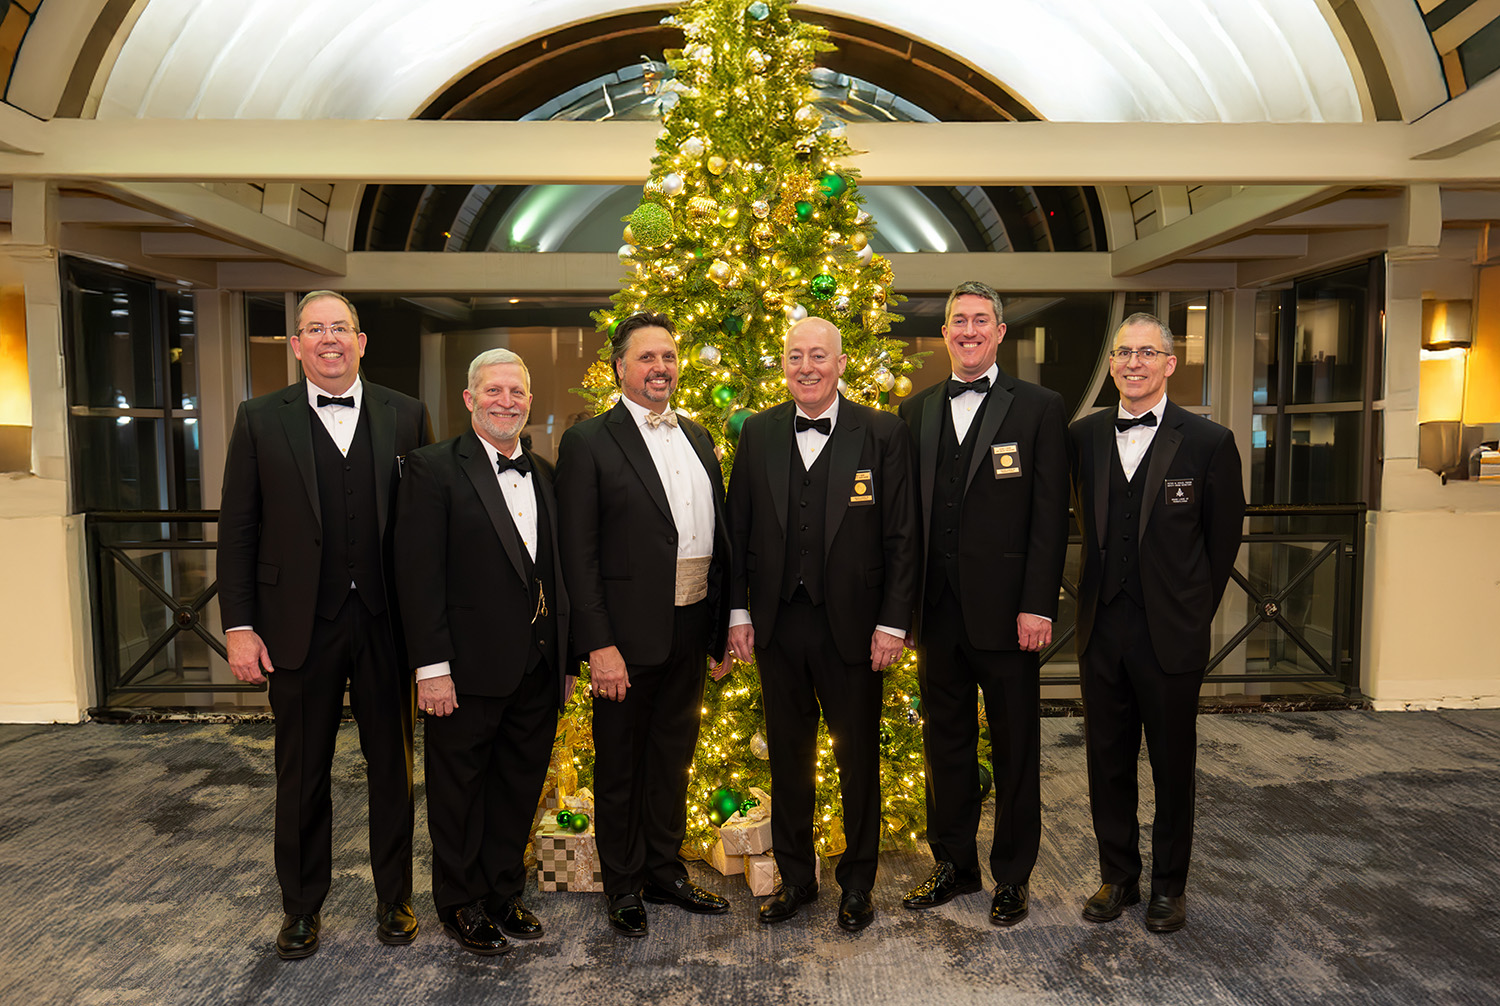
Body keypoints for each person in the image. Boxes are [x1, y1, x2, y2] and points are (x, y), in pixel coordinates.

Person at [218, 290, 432, 959]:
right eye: (315, 329)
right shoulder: (258, 419)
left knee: (393, 769)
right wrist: (240, 626)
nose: (329, 339)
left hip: (384, 622)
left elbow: (425, 533)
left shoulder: (407, 414)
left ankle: (394, 897)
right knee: (300, 771)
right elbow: (239, 531)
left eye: (341, 327)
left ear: (361, 341)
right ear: (296, 345)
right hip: (295, 626)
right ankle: (301, 909)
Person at [724, 316, 919, 933]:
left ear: (840, 363)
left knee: (857, 757)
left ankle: (857, 883)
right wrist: (737, 613)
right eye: (794, 357)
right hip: (780, 625)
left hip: (857, 630)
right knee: (788, 758)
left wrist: (892, 623)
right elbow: (738, 532)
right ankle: (797, 880)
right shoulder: (757, 433)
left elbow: (903, 536)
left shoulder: (883, 432)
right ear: (783, 365)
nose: (806, 367)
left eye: (818, 356)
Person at [896, 280, 1069, 928]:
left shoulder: (1039, 408)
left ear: (1000, 332)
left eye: (980, 320)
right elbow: (909, 521)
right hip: (938, 615)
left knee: (1017, 748)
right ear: (944, 334)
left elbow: (1050, 518)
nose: (968, 330)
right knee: (946, 747)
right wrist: (905, 610)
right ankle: (954, 865)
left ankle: (1013, 876)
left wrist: (1038, 606)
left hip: (1009, 617)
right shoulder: (916, 412)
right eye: (957, 321)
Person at [555, 311, 732, 938]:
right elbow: (577, 555)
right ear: (619, 367)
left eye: (668, 357)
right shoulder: (589, 443)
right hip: (624, 640)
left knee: (671, 757)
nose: (661, 368)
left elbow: (720, 536)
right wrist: (598, 645)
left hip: (690, 625)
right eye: (647, 357)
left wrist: (721, 627)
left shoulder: (698, 434)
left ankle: (664, 868)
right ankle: (623, 882)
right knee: (622, 763)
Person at [1068, 312, 1245, 933]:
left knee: (1172, 766)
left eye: (1147, 353)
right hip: (1100, 630)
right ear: (1112, 364)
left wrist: (1192, 615)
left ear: (1171, 364)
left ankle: (1170, 886)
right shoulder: (1085, 436)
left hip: (1169, 634)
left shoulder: (1208, 441)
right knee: (1105, 761)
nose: (1133, 363)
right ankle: (1118, 875)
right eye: (1123, 353)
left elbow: (1222, 542)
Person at [393, 349, 570, 956]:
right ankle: (460, 902)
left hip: (537, 666)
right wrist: (432, 670)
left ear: (529, 400)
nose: (507, 402)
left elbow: (555, 575)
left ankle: (501, 892)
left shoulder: (545, 472)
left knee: (517, 788)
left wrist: (564, 660)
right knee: (458, 793)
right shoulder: (431, 468)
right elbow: (418, 579)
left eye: (516, 392)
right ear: (469, 399)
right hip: (462, 673)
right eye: (493, 391)